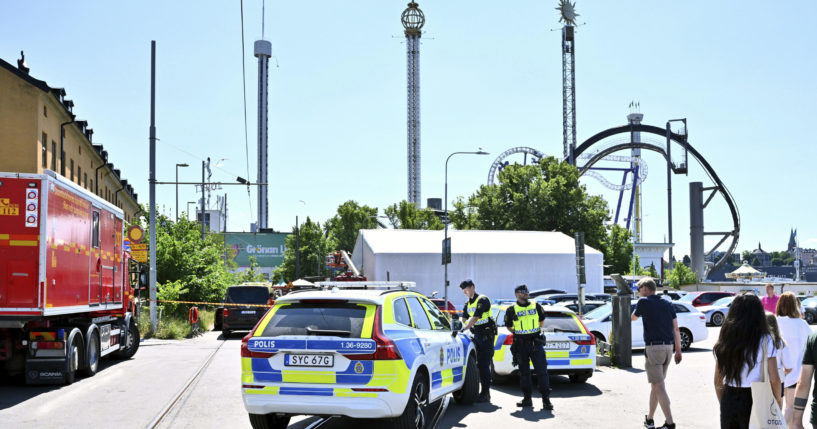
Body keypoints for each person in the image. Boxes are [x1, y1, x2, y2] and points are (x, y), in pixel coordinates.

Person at [714, 293, 782, 429]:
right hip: (756, 397)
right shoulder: (766, 340)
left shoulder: (726, 338)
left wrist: (724, 403)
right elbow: (774, 379)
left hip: (729, 396)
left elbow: (717, 380)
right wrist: (778, 401)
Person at [631, 277, 681, 429]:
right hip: (668, 349)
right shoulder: (668, 303)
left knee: (659, 386)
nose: (638, 293)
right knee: (656, 386)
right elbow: (676, 329)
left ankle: (670, 423)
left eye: (639, 290)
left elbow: (633, 318)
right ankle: (650, 419)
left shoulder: (644, 302)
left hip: (653, 348)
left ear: (645, 288)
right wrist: (678, 350)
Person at [504, 284, 553, 410]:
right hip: (521, 345)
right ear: (516, 294)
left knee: (542, 372)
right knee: (524, 374)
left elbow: (541, 321)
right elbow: (509, 325)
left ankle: (546, 400)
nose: (525, 293)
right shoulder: (511, 310)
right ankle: (527, 399)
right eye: (522, 292)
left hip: (535, 343)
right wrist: (518, 332)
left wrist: (532, 332)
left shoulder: (535, 306)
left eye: (526, 292)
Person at [776, 293, 812, 427]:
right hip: (796, 373)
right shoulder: (802, 324)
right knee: (790, 407)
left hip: (776, 372)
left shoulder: (774, 322)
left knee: (776, 408)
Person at [459, 279, 495, 403]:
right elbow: (464, 317)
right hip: (476, 336)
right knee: (477, 365)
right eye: (463, 290)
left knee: (484, 365)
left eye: (466, 289)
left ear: (472, 287)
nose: (465, 292)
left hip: (487, 336)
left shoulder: (482, 300)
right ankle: (480, 392)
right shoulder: (468, 303)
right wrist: (463, 324)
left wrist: (465, 328)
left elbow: (475, 317)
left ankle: (485, 393)